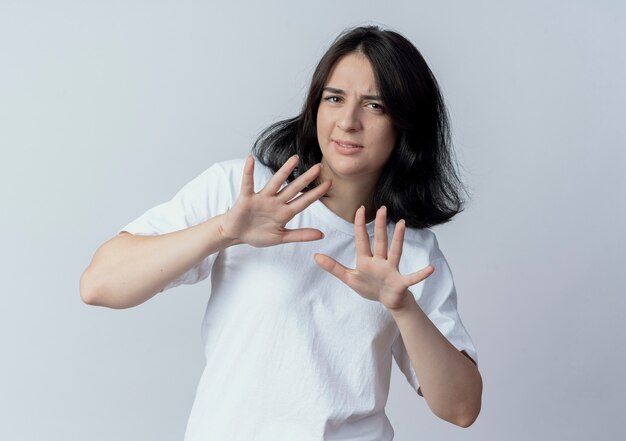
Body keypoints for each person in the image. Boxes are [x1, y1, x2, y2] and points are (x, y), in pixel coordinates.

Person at [80, 25, 482, 440]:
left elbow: (462, 408)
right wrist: (222, 231)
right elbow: (99, 285)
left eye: (374, 105)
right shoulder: (242, 192)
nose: (348, 121)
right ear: (316, 107)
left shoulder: (407, 249)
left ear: (404, 123)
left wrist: (403, 308)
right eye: (334, 98)